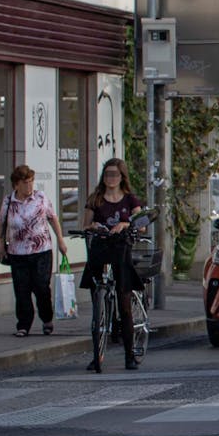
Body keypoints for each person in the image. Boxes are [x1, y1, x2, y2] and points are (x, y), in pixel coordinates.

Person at [79, 158, 145, 372]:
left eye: (114, 175)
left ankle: (129, 355)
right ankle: (96, 355)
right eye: (107, 174)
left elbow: (141, 224)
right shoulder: (96, 198)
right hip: (100, 247)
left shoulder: (129, 199)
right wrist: (94, 225)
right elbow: (85, 224)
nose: (110, 178)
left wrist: (126, 223)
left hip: (121, 249)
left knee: (123, 304)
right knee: (97, 303)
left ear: (121, 177)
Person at [0, 165, 65, 337]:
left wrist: (61, 240)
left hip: (41, 251)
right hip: (17, 252)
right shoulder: (9, 201)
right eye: (25, 183)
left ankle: (46, 318)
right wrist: (0, 244)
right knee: (22, 289)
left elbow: (53, 219)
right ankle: (23, 325)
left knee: (41, 287)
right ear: (16, 185)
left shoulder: (40, 198)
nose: (29, 186)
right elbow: (1, 223)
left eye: (31, 182)